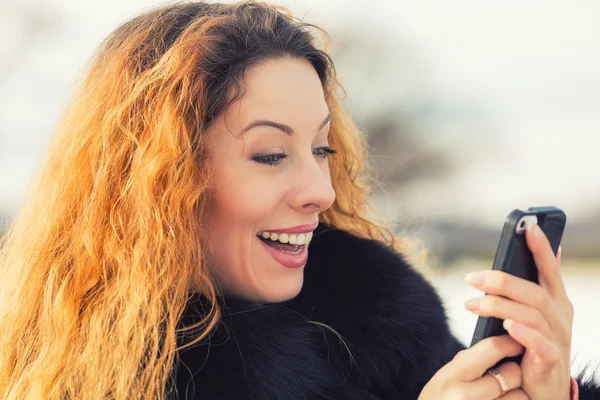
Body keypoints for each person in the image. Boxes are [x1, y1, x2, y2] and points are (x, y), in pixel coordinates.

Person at [0, 1, 598, 399]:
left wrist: (548, 391)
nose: (321, 191)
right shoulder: (88, 379)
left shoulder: (386, 324)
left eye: (321, 150)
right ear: (157, 183)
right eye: (269, 154)